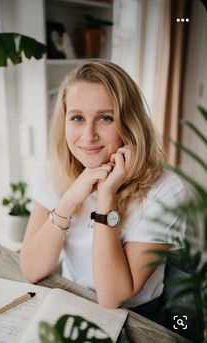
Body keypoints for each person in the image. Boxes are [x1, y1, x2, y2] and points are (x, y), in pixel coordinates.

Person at [20, 60, 186, 325]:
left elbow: (112, 298)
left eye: (105, 118)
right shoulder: (54, 170)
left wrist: (106, 196)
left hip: (139, 318)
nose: (88, 135)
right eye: (77, 118)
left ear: (130, 122)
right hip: (70, 298)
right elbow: (31, 268)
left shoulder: (167, 190)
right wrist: (72, 197)